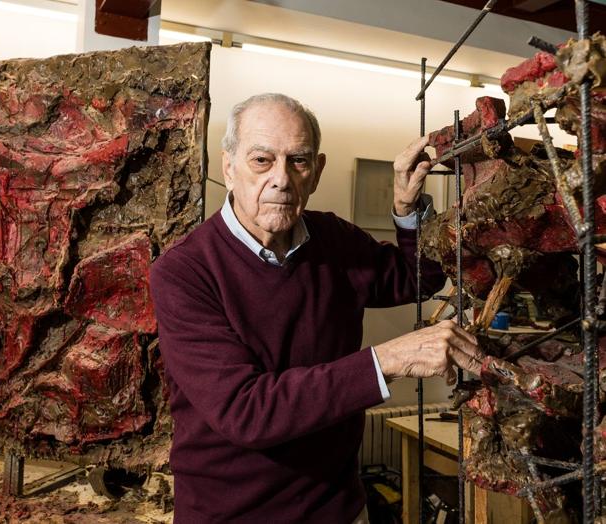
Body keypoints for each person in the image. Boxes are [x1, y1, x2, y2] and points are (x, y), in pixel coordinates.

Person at [149, 93, 482, 523]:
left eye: (298, 161)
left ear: (317, 172)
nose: (282, 180)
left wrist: (407, 209)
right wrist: (388, 360)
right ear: (229, 168)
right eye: (262, 161)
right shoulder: (184, 272)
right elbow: (245, 412)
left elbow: (419, 278)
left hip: (338, 508)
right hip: (231, 515)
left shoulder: (334, 240)